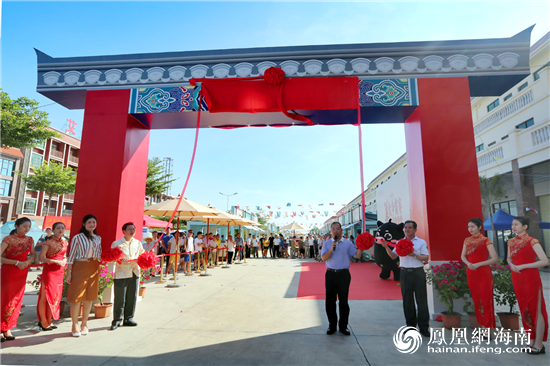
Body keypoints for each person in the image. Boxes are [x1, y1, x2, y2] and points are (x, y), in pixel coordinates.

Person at [381, 220, 430, 337]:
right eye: (406, 228)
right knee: (408, 301)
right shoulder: (400, 242)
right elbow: (393, 256)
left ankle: (424, 327)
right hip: (405, 273)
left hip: (418, 272)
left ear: (415, 230)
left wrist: (414, 255)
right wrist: (386, 247)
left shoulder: (421, 242)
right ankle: (411, 326)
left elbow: (426, 257)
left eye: (410, 228)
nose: (407, 230)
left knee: (421, 301)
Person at [508, 216, 549, 355]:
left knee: (535, 309)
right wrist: (512, 265)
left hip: (530, 278)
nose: (513, 227)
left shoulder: (533, 241)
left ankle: (539, 343)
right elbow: (508, 258)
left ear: (525, 226)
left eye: (516, 224)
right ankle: (530, 339)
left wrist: (523, 265)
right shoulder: (511, 242)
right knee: (524, 309)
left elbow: (544, 261)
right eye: (512, 224)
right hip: (517, 277)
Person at [321, 222, 363, 336]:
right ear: (330, 231)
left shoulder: (348, 244)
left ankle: (343, 326)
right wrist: (331, 249)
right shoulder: (327, 243)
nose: (335, 231)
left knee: (343, 302)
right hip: (330, 274)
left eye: (337, 229)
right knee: (330, 302)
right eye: (333, 229)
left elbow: (357, 256)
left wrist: (362, 247)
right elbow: (324, 258)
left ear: (341, 231)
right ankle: (332, 326)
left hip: (344, 275)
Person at [66, 214, 102, 337]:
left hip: (94, 267)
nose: (92, 224)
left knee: (89, 297)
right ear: (84, 224)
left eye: (94, 222)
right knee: (77, 297)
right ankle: (74, 324)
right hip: (80, 266)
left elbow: (99, 253)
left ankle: (84, 323)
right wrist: (68, 273)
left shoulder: (98, 238)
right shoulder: (77, 237)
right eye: (89, 222)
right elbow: (71, 256)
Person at [460, 218, 498, 330]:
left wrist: (478, 264)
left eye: (472, 227)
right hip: (471, 272)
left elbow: (494, 259)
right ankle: (482, 325)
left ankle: (488, 327)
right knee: (477, 300)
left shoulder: (486, 240)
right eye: (469, 227)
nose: (470, 229)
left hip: (484, 273)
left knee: (486, 299)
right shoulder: (467, 240)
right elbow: (463, 256)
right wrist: (468, 263)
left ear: (480, 227)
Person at [1, 217, 35, 342]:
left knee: (16, 299)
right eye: (24, 226)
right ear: (16, 226)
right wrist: (16, 263)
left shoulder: (30, 239)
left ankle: (8, 328)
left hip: (22, 271)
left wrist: (27, 262)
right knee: (5, 299)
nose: (27, 229)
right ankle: (1, 328)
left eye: (28, 226)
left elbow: (33, 255)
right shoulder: (8, 239)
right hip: (9, 272)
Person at [110, 222, 145, 330]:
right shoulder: (117, 244)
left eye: (133, 229)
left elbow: (142, 254)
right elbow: (111, 257)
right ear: (124, 231)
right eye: (130, 229)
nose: (132, 231)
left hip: (134, 272)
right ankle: (117, 321)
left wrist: (145, 258)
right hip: (121, 274)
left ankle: (128, 319)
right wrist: (119, 259)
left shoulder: (138, 243)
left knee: (132, 297)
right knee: (120, 298)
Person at [36, 222, 68, 331]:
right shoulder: (48, 243)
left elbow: (64, 255)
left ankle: (49, 320)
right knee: (45, 297)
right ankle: (43, 321)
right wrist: (55, 261)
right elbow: (41, 258)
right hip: (49, 272)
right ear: (53, 230)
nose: (60, 230)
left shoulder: (65, 242)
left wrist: (64, 260)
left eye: (62, 228)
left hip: (60, 272)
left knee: (55, 296)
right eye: (58, 228)